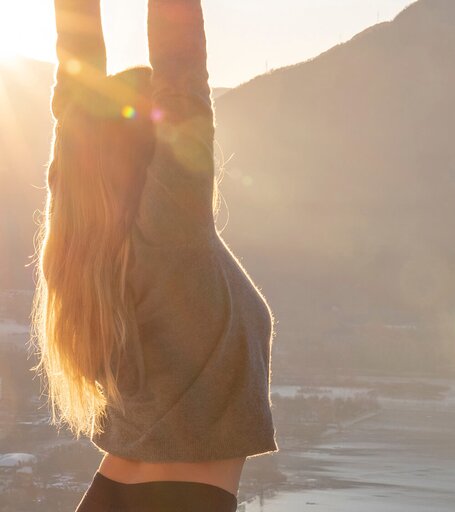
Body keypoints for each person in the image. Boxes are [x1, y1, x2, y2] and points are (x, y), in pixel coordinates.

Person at [30, 1, 279, 510]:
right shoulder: (171, 236)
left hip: (118, 493)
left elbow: (75, 98)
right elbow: (182, 74)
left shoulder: (92, 245)